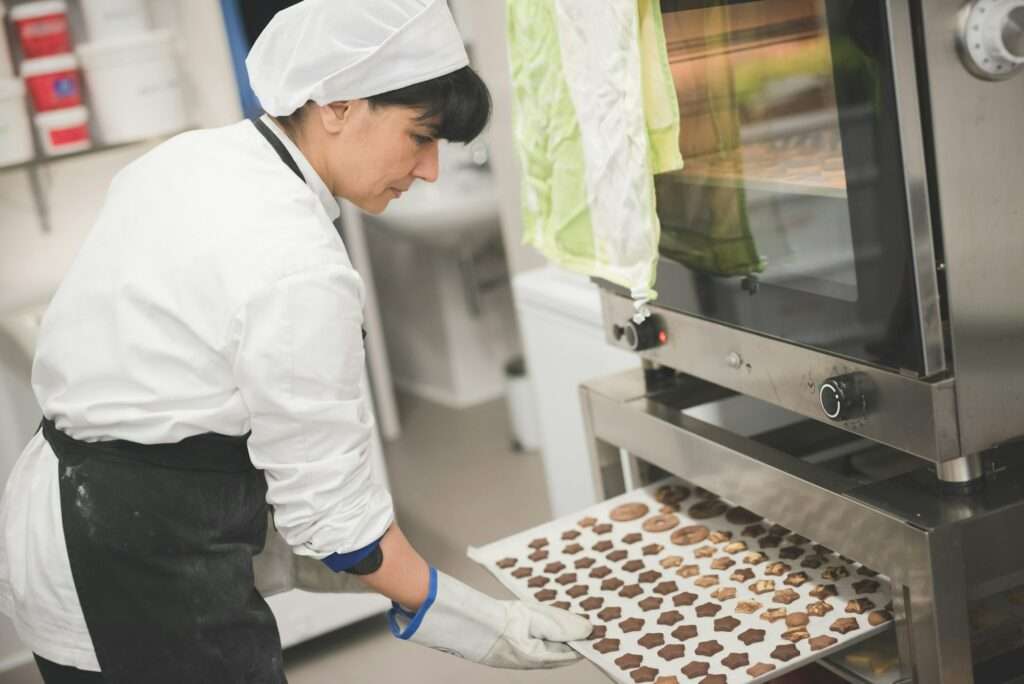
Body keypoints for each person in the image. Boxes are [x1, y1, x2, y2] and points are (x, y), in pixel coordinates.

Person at [0, 1, 592, 682]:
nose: (429, 170)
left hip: (61, 514)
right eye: (419, 137)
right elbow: (340, 523)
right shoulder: (298, 261)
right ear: (338, 104)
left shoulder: (193, 155)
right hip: (139, 555)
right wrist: (481, 624)